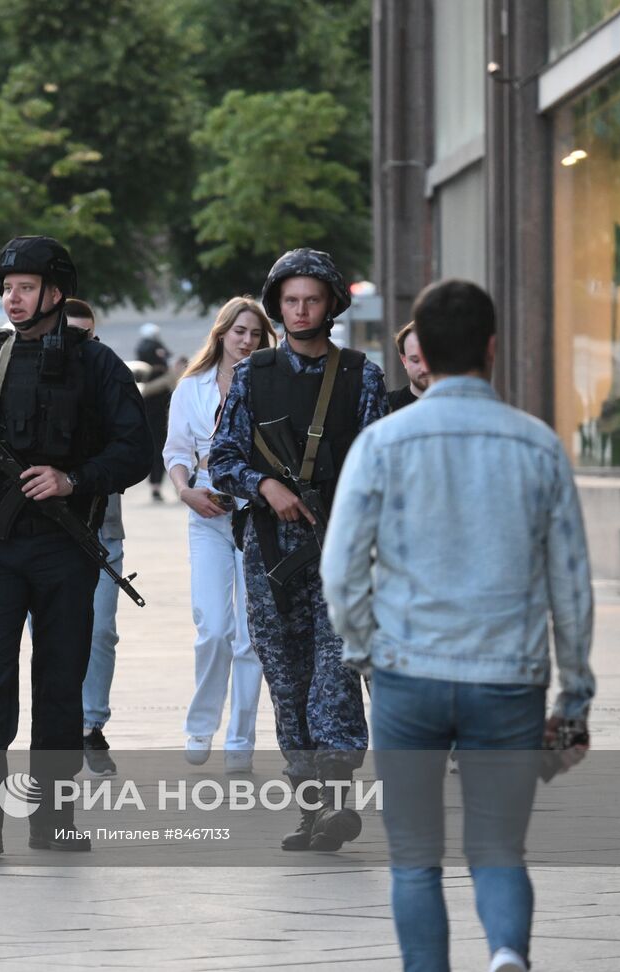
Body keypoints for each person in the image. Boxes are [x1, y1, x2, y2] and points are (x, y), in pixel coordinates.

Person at [321, 279, 595, 972]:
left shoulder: (382, 443)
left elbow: (341, 569)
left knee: (414, 860)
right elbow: (570, 583)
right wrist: (576, 693)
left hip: (407, 673)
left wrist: (363, 650)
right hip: (508, 678)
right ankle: (506, 953)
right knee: (500, 849)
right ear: (493, 348)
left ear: (422, 351)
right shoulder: (538, 446)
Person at [0, 236, 152, 856]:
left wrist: (73, 479)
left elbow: (135, 450)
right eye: (6, 288)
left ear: (54, 292)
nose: (12, 300)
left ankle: (54, 816)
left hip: (64, 548)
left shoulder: (97, 365)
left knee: (59, 681)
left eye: (24, 288)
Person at [208, 247, 387, 852]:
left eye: (312, 299)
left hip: (339, 549)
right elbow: (222, 458)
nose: (302, 310)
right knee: (287, 678)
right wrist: (266, 485)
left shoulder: (362, 375)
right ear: (276, 305)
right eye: (291, 300)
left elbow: (378, 465)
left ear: (332, 304)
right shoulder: (255, 375)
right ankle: (310, 805)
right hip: (270, 555)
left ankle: (336, 797)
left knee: (334, 675)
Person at [164, 296, 276, 772]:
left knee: (251, 636)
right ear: (222, 333)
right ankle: (200, 724)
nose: (247, 342)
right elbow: (175, 451)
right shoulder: (192, 387)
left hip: (255, 515)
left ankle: (240, 741)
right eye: (239, 333)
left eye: (255, 334)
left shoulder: (270, 385)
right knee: (214, 627)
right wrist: (185, 490)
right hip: (207, 512)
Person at [60, 299, 124, 777]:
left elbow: (131, 451)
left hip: (101, 529)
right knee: (50, 635)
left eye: (88, 336)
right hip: (42, 533)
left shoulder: (108, 381)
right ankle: (60, 727)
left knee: (100, 629)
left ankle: (90, 725)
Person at [136, 322, 173, 501]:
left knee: (160, 450)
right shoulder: (154, 370)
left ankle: (158, 486)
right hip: (159, 414)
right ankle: (159, 485)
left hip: (153, 414)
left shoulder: (141, 367)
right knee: (161, 449)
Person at [387, 320, 431, 412]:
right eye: (415, 360)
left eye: (430, 359)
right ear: (404, 361)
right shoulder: (385, 405)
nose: (424, 368)